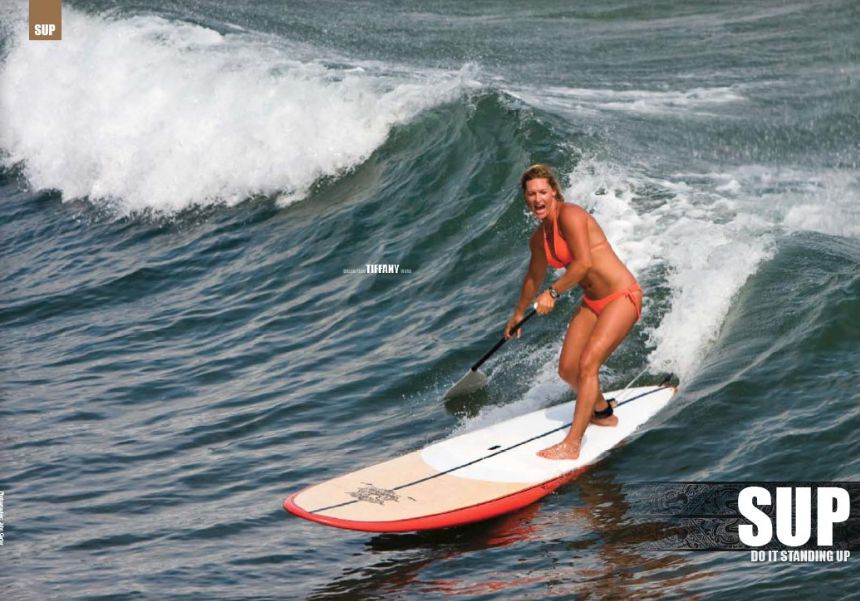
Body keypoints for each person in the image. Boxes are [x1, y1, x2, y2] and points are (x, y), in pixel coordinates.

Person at [504, 164, 643, 460]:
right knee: (567, 369)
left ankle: (572, 445)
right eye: (531, 194)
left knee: (588, 364)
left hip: (621, 297)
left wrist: (553, 293)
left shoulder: (572, 215)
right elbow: (533, 277)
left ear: (553, 191)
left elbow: (582, 264)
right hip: (593, 303)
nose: (537, 198)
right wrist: (517, 314)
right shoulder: (539, 238)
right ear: (525, 199)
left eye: (542, 191)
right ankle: (602, 412)